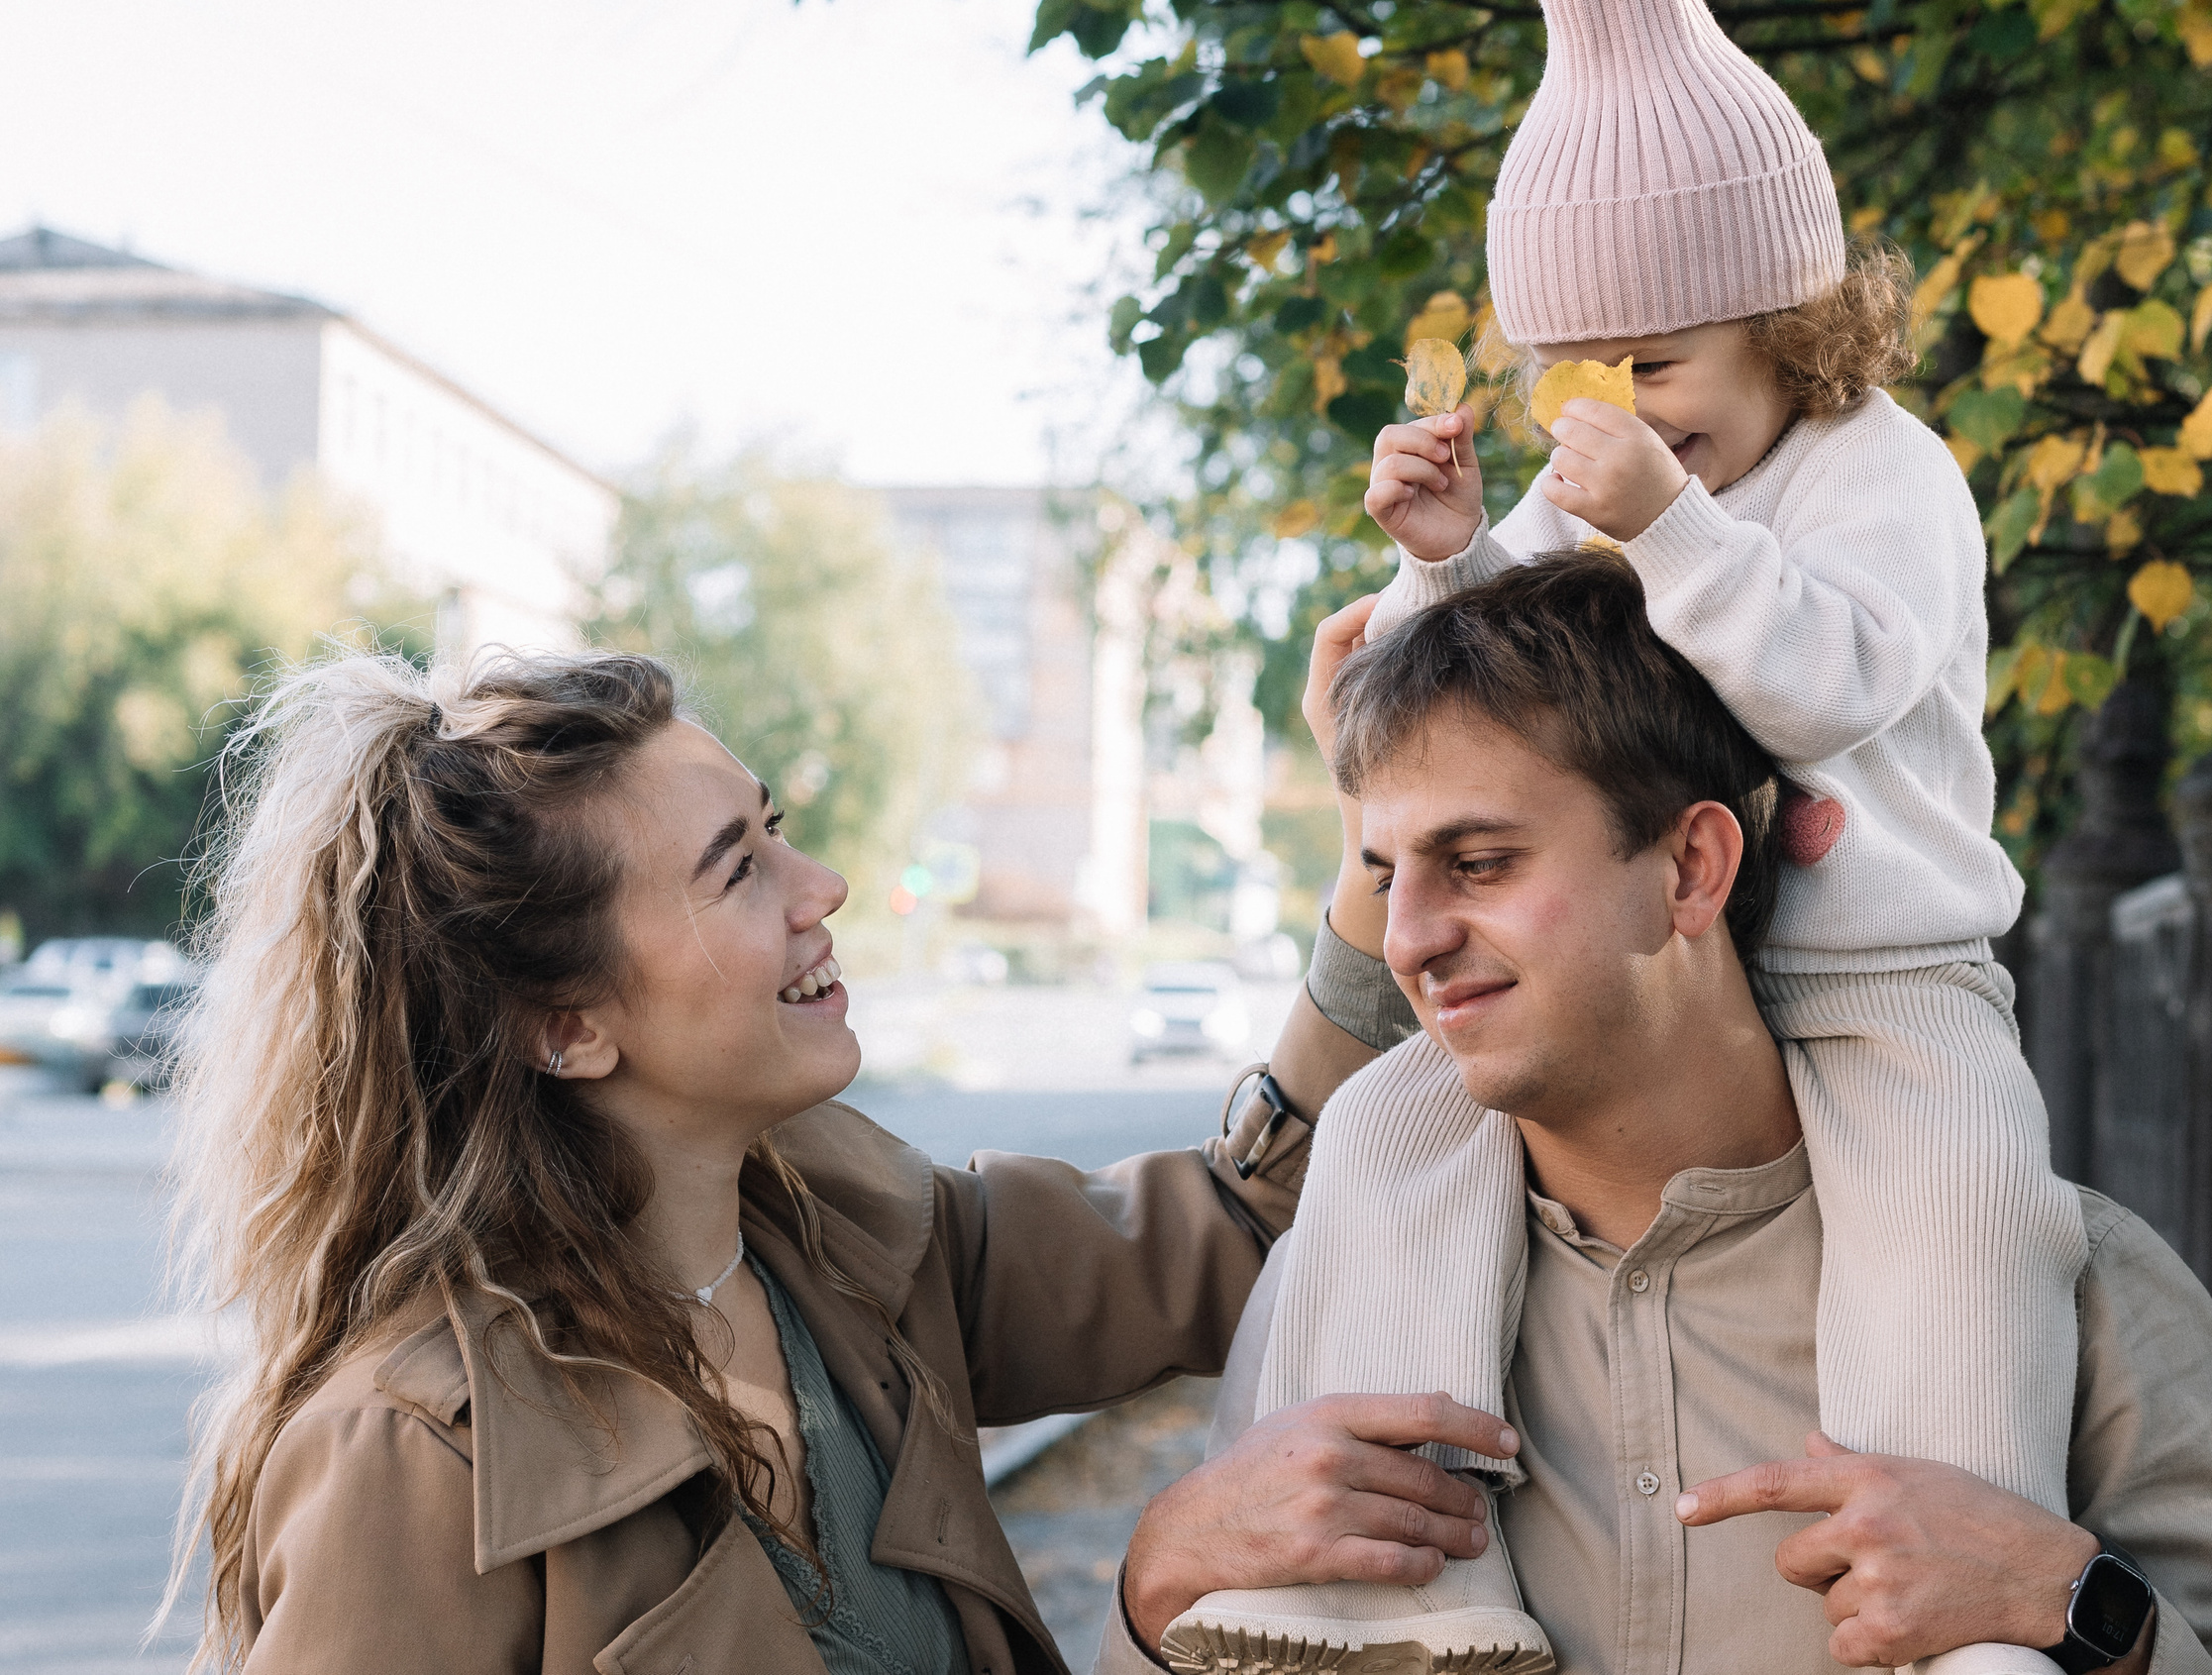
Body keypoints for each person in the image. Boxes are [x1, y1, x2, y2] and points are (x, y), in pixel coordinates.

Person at [1171, 0, 2085, 1667]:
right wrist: (1445, 553)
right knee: (1389, 1141)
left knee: (1962, 1210)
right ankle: (1404, 1590)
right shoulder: (1621, 460)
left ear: (1789, 319)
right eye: (1579, 375)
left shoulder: (1881, 471)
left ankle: (1956, 1611)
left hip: (1885, 972)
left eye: (1659, 362)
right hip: (1642, 979)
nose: (1623, 408)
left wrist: (1667, 525)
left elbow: (1830, 683)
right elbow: (1501, 693)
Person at [155, 647, 1450, 1675]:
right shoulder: (419, 1451)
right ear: (567, 1023)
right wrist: (1155, 1580)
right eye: (738, 868)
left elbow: (1241, 1224)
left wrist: (1380, 859)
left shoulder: (860, 1242)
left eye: (773, 827)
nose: (819, 882)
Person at [1118, 558, 2212, 1675]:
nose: (1411, 940)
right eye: (1387, 877)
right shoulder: (1335, 1279)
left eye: (1477, 862)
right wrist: (1158, 1581)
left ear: (1691, 866)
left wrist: (2078, 1605)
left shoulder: (2071, 1290)